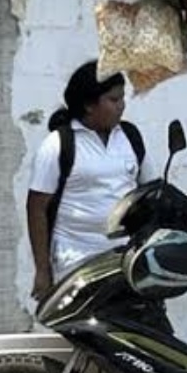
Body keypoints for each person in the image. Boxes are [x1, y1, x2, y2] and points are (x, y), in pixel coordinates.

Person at [27, 61, 157, 301]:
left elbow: (152, 191)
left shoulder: (130, 138)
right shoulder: (58, 144)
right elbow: (37, 209)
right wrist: (42, 271)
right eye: (113, 100)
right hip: (76, 264)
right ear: (89, 105)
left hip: (127, 261)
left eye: (122, 98)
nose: (121, 106)